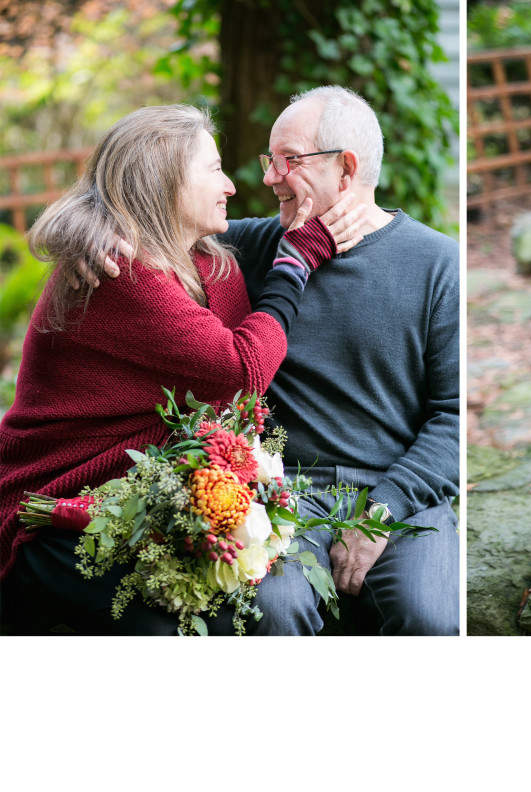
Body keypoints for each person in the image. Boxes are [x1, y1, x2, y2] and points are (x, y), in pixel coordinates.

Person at [0, 105, 337, 635]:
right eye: (213, 169)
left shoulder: (206, 260)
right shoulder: (119, 273)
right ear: (163, 182)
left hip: (143, 502)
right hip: (57, 504)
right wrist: (293, 265)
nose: (230, 184)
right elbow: (242, 368)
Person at [224, 86, 459, 635]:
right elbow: (146, 232)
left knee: (430, 619)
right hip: (284, 497)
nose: (268, 177)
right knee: (272, 614)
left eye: (288, 160)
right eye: (269, 159)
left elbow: (452, 418)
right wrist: (88, 239)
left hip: (401, 492)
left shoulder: (439, 263)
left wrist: (382, 511)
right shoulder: (261, 248)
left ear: (346, 168)